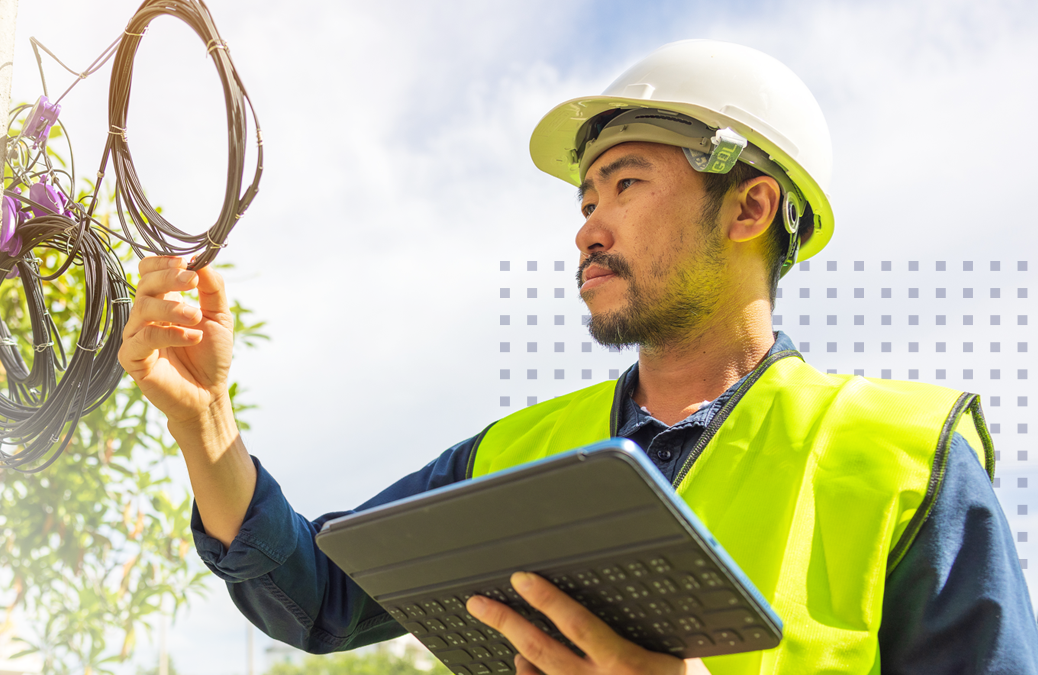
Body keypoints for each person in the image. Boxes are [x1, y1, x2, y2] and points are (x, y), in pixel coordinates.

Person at [118, 40, 1038, 674]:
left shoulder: (904, 455)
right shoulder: (516, 454)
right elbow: (315, 597)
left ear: (750, 208)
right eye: (584, 198)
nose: (587, 226)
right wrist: (205, 422)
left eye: (626, 184)